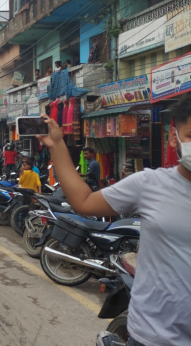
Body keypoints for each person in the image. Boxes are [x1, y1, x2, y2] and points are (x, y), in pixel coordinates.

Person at [38, 95, 191, 346]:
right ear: (174, 137)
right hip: (153, 338)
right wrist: (56, 145)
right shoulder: (150, 184)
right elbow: (85, 202)